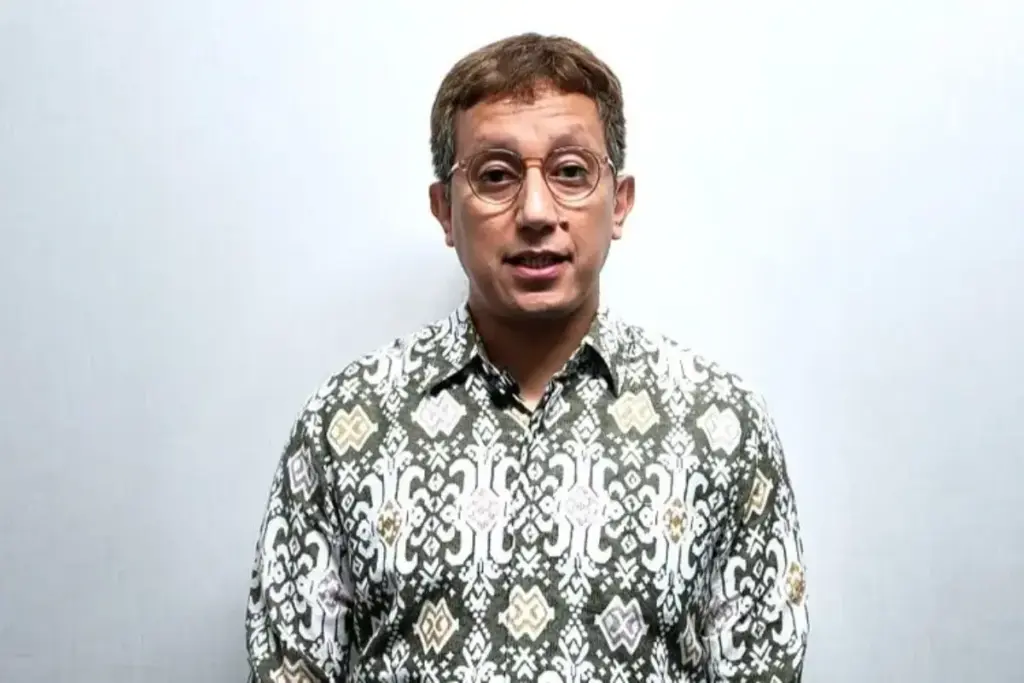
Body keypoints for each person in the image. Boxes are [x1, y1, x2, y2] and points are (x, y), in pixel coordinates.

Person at [244, 32, 810, 683]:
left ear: (620, 202)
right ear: (444, 210)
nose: (536, 211)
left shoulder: (722, 426)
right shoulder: (344, 425)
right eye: (495, 175)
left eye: (571, 172)